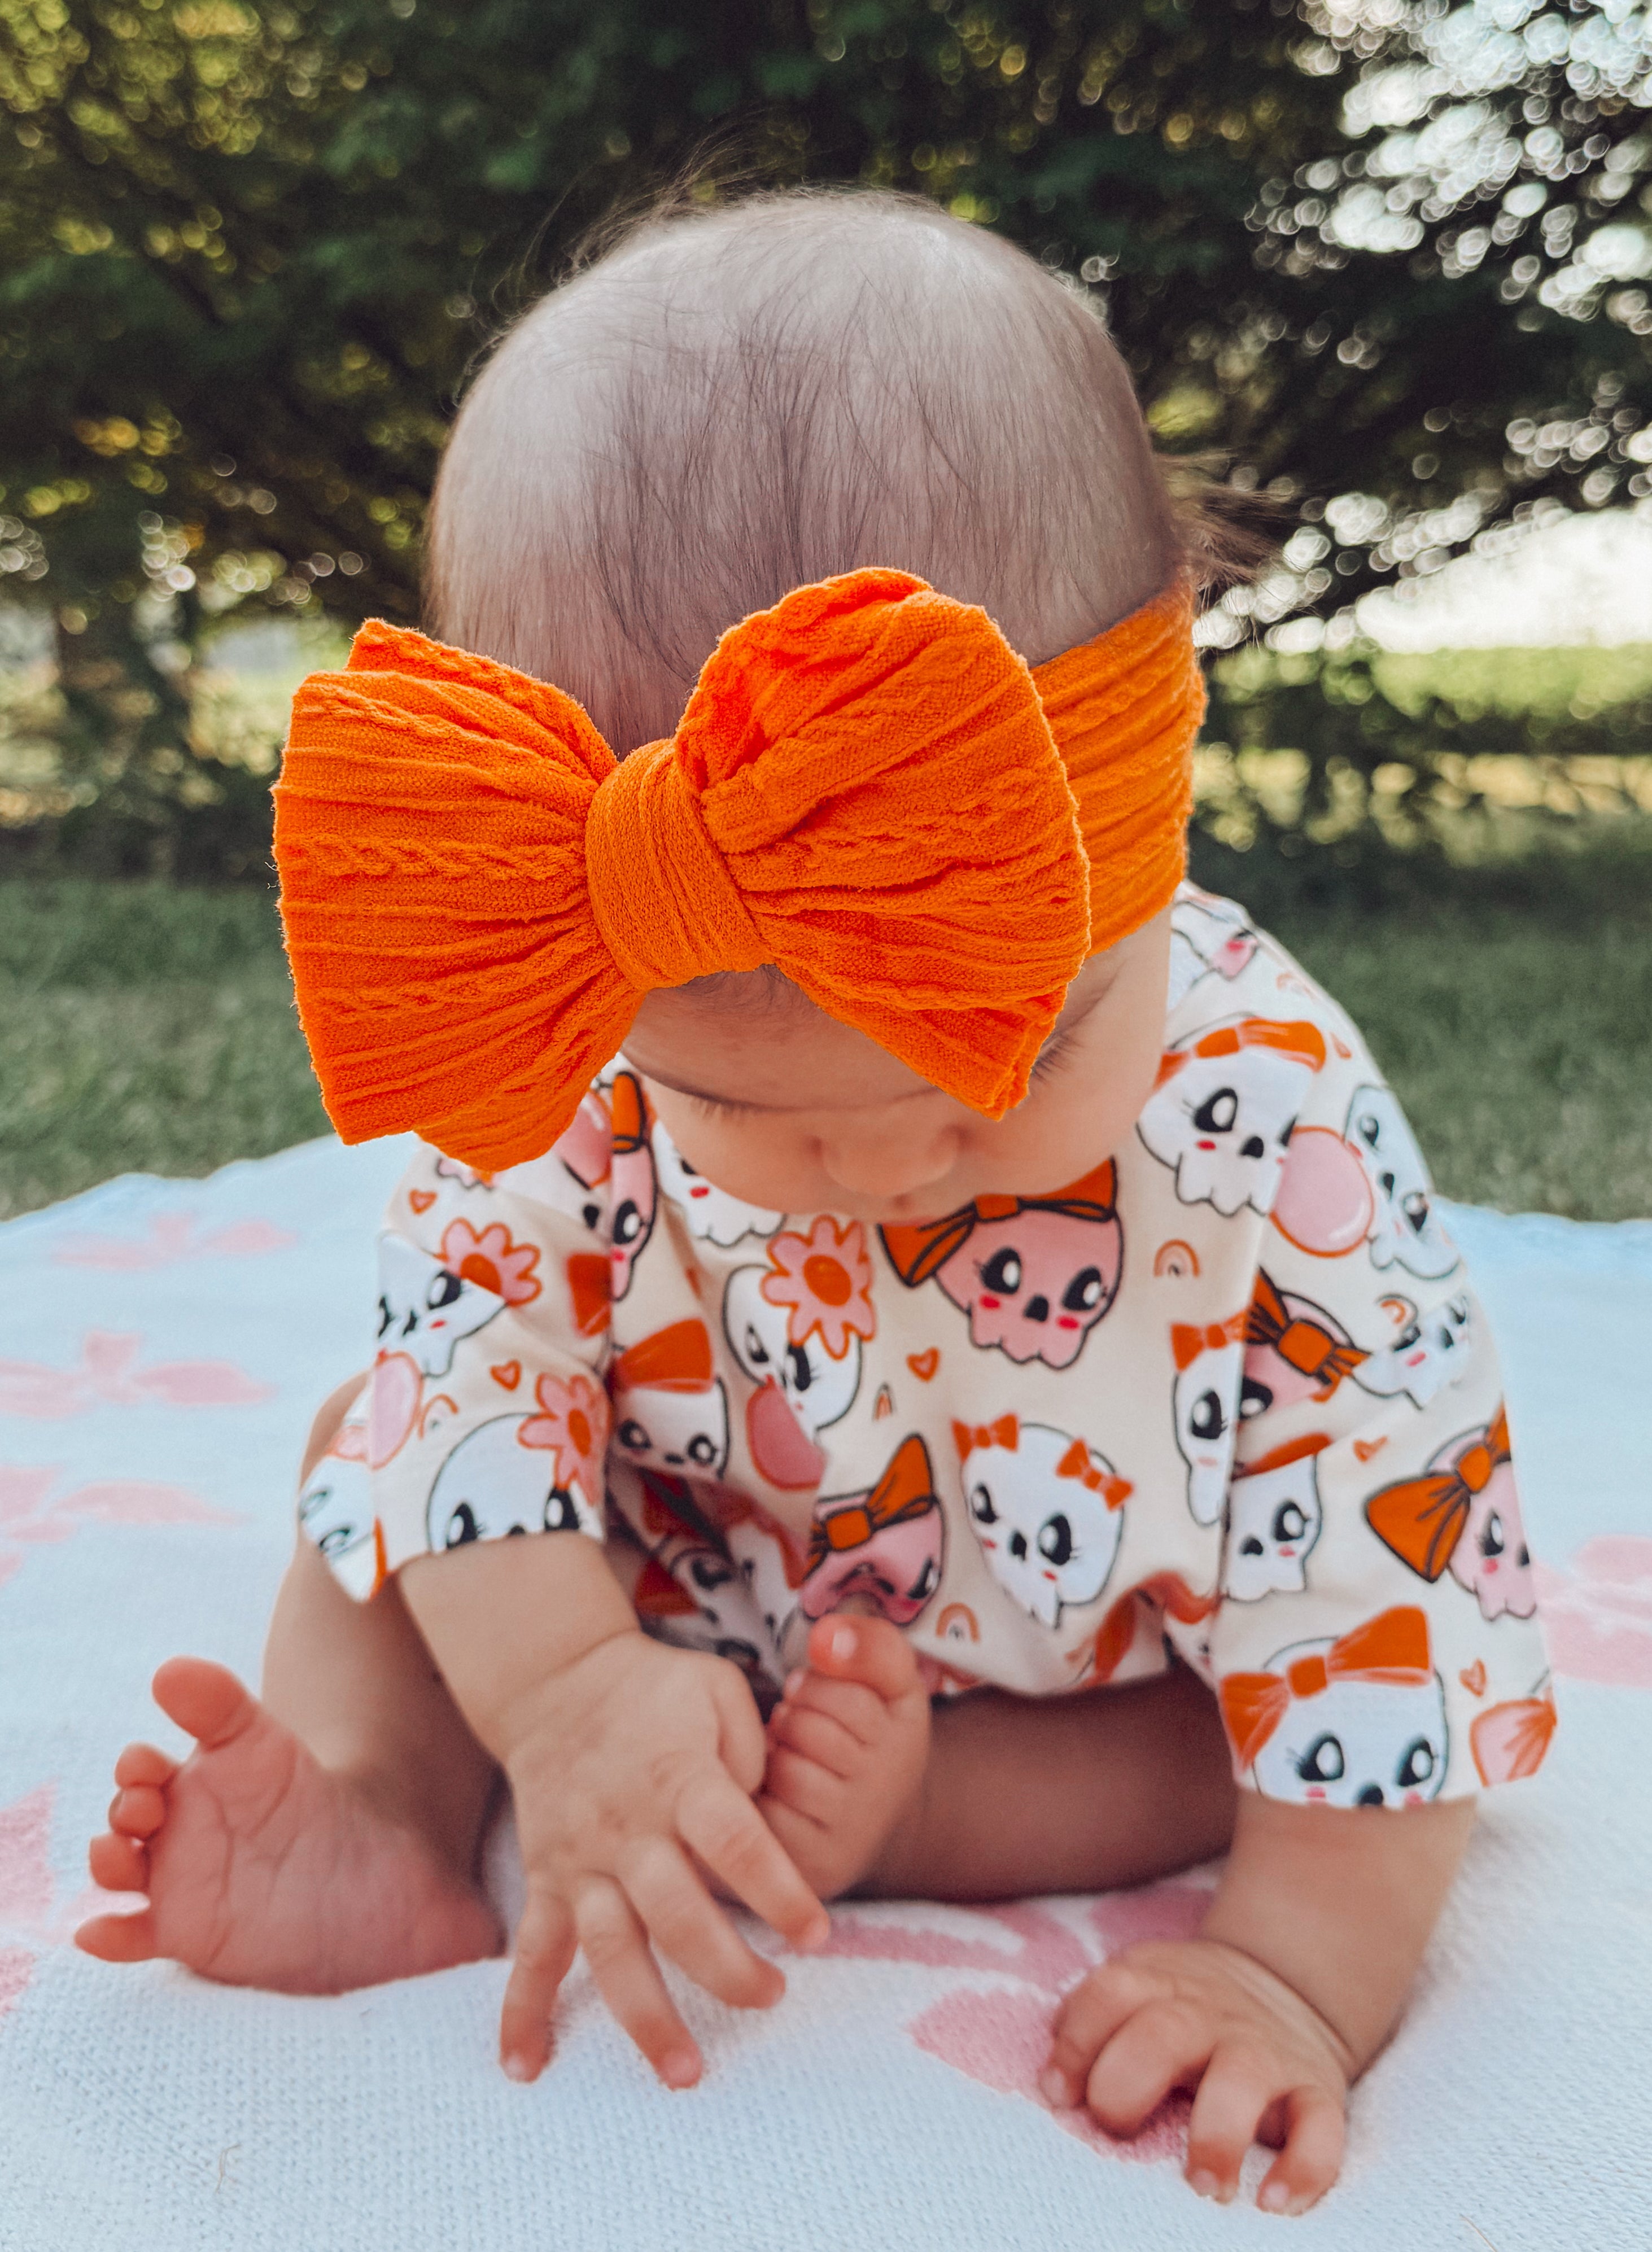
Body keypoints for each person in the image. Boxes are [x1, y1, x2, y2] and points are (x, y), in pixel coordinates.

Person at [76, 188, 1554, 2218]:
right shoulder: (574, 1052)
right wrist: (563, 1687)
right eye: (734, 1107)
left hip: (1079, 1684)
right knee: (391, 1448)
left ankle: (910, 1823)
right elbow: (473, 1358)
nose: (886, 1164)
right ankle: (387, 1814)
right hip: (659, 1601)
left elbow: (1388, 1576)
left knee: (1250, 1738)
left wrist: (1297, 1970)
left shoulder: (1271, 1128)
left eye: (1016, 1051)